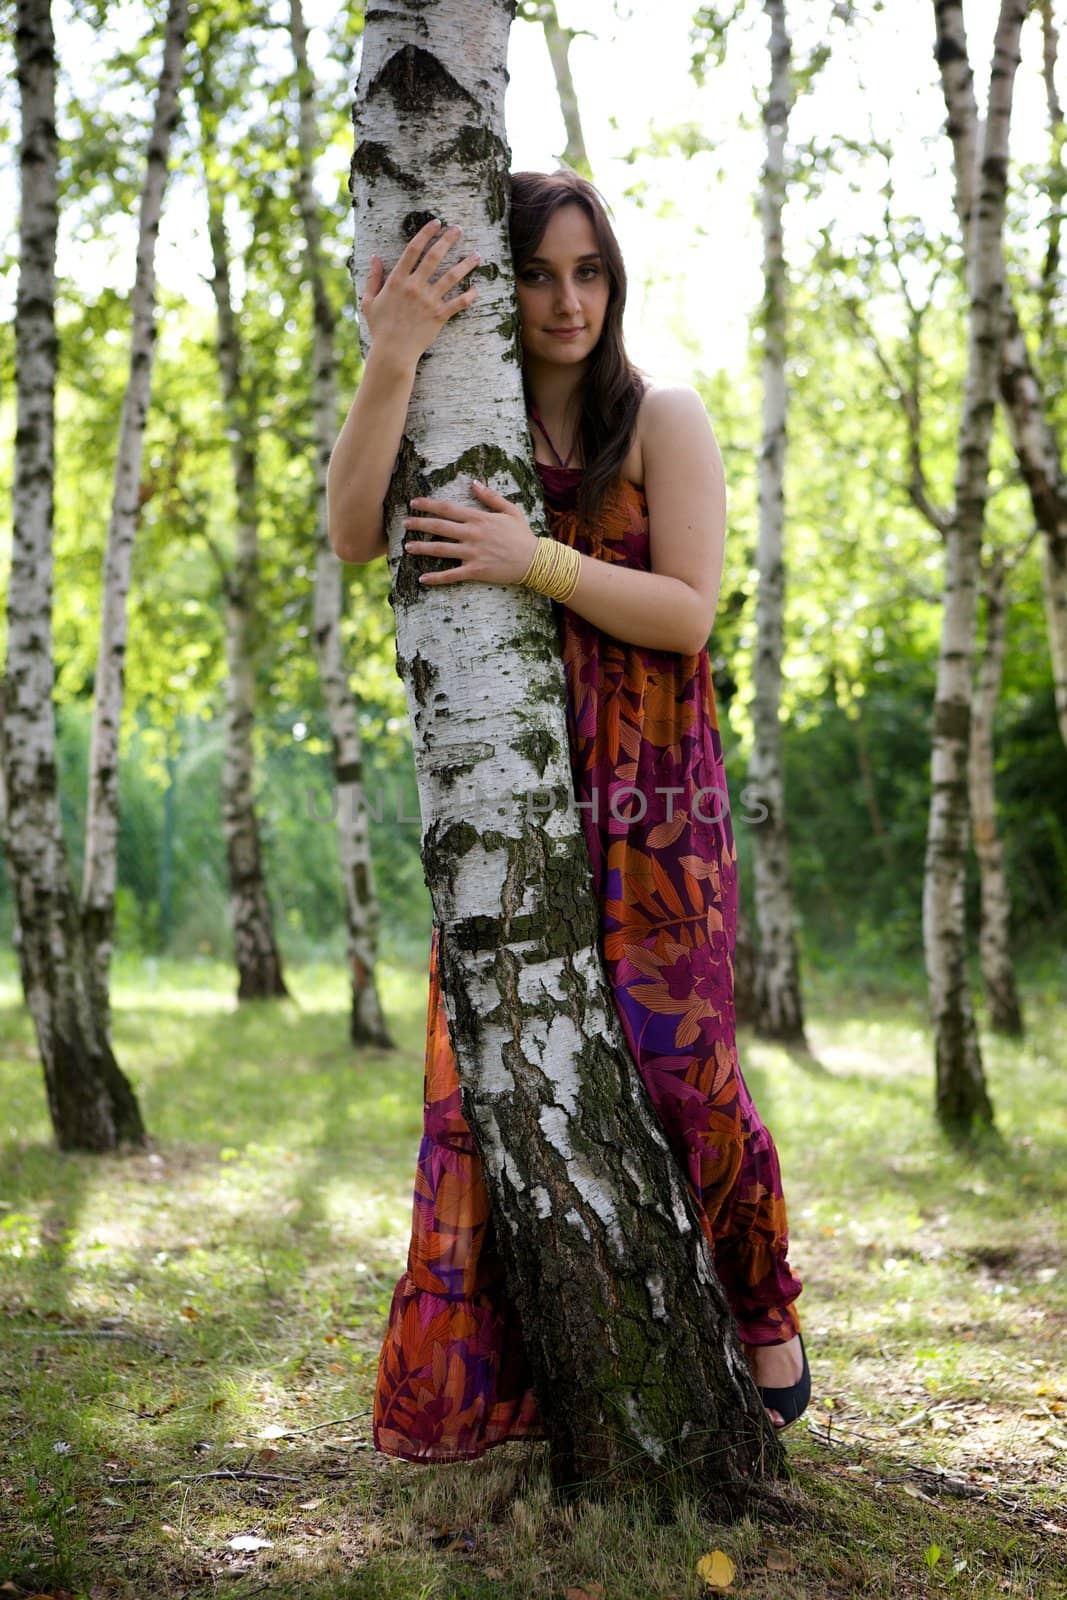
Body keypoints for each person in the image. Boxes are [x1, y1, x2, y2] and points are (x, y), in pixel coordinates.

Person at [326, 169, 809, 1464]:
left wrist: (531, 558)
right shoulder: (457, 416)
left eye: (589, 270)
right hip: (518, 803)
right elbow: (348, 531)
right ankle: (535, 1379)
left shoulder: (665, 418)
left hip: (656, 800)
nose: (567, 298)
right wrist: (392, 356)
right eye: (539, 271)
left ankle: (763, 1306)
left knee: (676, 1067)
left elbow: (690, 612)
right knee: (506, 1079)